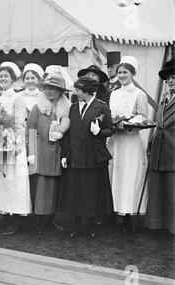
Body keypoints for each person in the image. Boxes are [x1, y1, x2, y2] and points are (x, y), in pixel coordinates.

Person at [60, 76, 114, 238]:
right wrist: (65, 155)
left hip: (93, 157)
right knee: (75, 192)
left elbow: (110, 130)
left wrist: (100, 133)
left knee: (91, 192)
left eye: (78, 90)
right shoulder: (73, 107)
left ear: (88, 91)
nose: (75, 92)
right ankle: (76, 225)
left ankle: (91, 226)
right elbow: (69, 134)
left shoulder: (101, 107)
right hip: (75, 157)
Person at [0, 63, 32, 235]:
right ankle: (4, 216)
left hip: (13, 142)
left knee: (13, 180)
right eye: (0, 77)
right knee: (1, 180)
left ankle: (16, 219)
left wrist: (16, 145)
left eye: (6, 76)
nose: (3, 79)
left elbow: (20, 123)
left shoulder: (18, 98)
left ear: (13, 79)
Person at [107, 56, 149, 232]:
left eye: (125, 72)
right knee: (116, 174)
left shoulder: (139, 94)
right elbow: (110, 114)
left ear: (133, 74)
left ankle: (129, 215)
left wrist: (130, 121)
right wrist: (114, 122)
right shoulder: (114, 94)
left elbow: (144, 117)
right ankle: (116, 212)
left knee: (130, 176)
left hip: (131, 141)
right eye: (120, 72)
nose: (122, 75)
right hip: (117, 140)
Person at [27, 73, 70, 234]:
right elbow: (30, 130)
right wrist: (31, 151)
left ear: (60, 91)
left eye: (54, 89)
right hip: (40, 150)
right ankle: (38, 219)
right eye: (47, 88)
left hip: (56, 151)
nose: (50, 91)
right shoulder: (38, 107)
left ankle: (51, 218)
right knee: (40, 185)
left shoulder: (66, 108)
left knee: (53, 186)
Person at [145, 58, 175, 234]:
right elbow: (159, 125)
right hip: (159, 151)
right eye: (168, 78)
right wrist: (151, 144)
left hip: (173, 152)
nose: (171, 80)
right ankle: (158, 225)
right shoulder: (164, 100)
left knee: (173, 193)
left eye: (174, 77)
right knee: (158, 191)